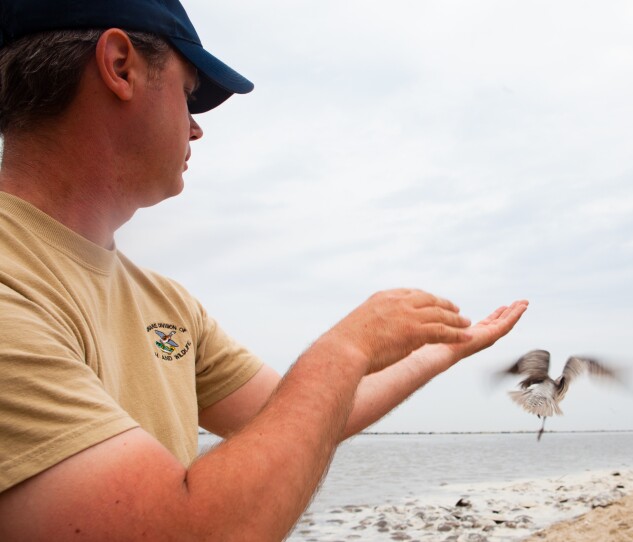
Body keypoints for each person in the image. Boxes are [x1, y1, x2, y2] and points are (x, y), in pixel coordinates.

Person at [0, 1, 528, 539]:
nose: (197, 129)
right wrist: (346, 348)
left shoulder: (167, 304)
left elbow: (305, 416)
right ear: (120, 65)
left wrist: (444, 349)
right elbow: (183, 530)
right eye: (189, 94)